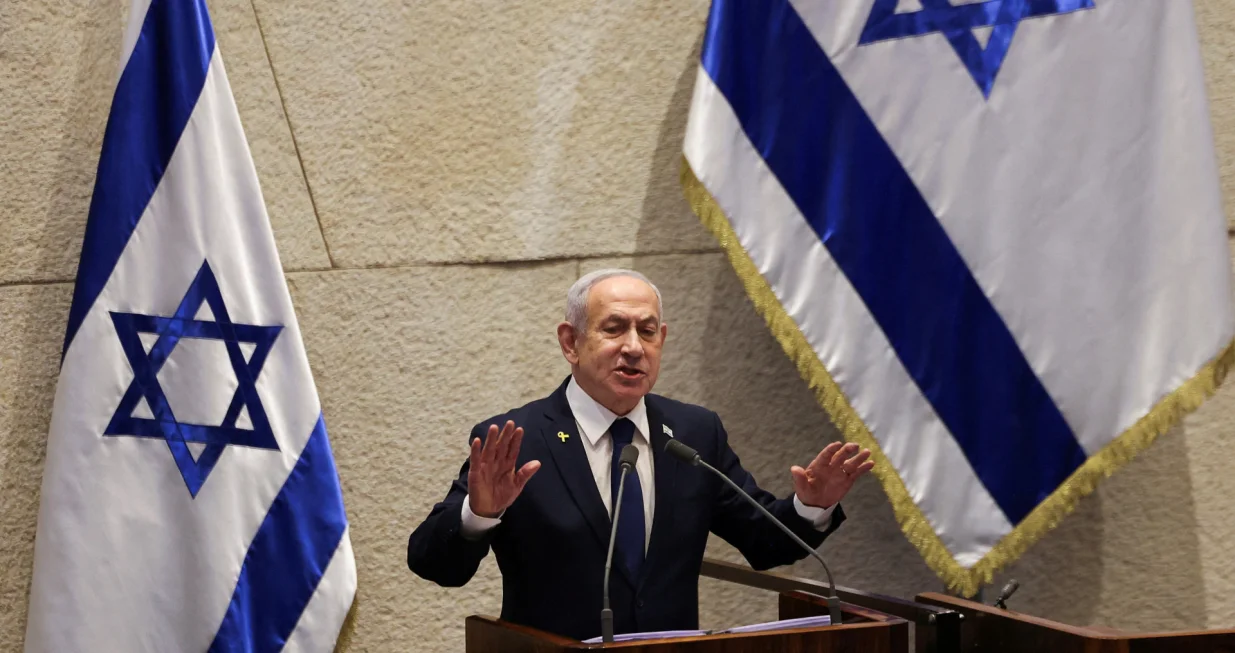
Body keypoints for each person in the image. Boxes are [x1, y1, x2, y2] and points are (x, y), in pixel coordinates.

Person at [407, 269, 874, 641]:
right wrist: (478, 514)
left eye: (647, 332)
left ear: (662, 340)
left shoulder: (694, 432)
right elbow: (434, 564)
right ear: (570, 342)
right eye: (614, 329)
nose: (633, 347)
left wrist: (812, 506)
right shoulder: (517, 440)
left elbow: (765, 542)